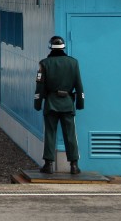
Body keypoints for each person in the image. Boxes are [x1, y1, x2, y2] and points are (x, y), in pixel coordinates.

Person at [33, 35, 85, 175]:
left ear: (50, 47)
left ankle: (48, 164)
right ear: (63, 48)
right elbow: (79, 85)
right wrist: (80, 103)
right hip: (67, 103)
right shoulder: (73, 63)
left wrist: (37, 103)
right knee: (70, 134)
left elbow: (40, 86)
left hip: (51, 103)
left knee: (50, 133)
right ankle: (74, 165)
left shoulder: (44, 64)